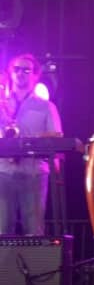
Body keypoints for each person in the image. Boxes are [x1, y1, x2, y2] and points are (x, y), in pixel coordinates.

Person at [0, 53, 62, 235]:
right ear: (10, 73)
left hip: (34, 174)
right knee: (2, 230)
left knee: (34, 230)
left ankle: (34, 257)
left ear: (35, 75)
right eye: (16, 69)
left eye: (26, 70)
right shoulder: (1, 104)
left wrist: (32, 139)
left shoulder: (47, 106)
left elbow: (57, 137)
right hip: (3, 173)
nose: (20, 73)